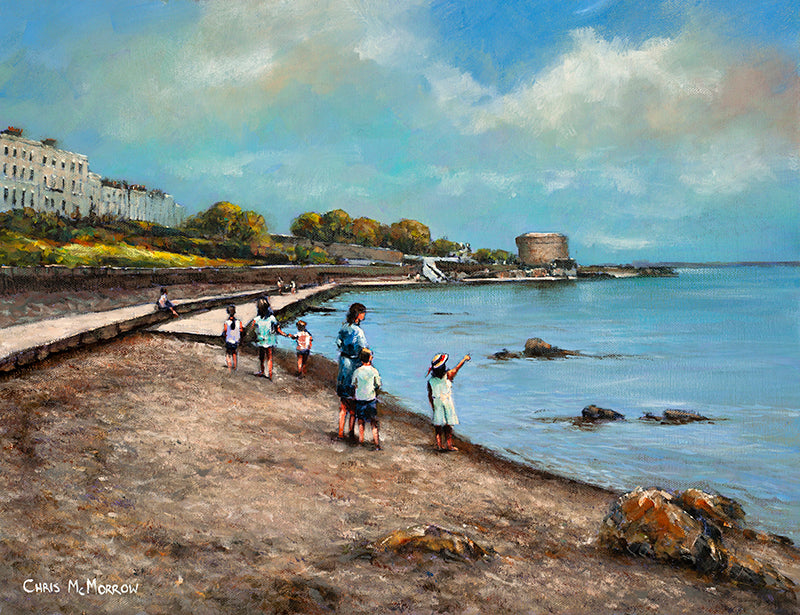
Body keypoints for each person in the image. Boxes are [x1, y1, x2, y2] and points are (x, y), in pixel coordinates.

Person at [426, 353, 471, 451]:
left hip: (437, 403)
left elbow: (430, 395)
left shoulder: (431, 381)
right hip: (447, 402)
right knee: (448, 426)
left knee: (438, 426)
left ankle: (439, 444)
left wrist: (432, 405)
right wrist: (464, 359)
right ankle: (449, 445)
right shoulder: (448, 375)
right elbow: (457, 368)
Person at [336, 302, 367, 439]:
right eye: (363, 313)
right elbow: (363, 348)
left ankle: (340, 432)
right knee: (353, 403)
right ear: (358, 314)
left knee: (343, 404)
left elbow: (338, 343)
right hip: (354, 365)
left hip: (344, 364)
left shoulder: (344, 327)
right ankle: (350, 432)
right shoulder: (358, 331)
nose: (364, 315)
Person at [248, 297, 290, 380]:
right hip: (270, 340)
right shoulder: (272, 318)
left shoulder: (256, 319)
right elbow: (278, 329)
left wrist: (250, 336)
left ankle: (262, 371)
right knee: (269, 357)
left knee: (261, 357)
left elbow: (251, 330)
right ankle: (270, 374)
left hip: (261, 340)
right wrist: (285, 334)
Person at [351, 348, 382, 450]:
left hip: (360, 399)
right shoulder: (374, 371)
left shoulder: (357, 371)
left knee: (361, 422)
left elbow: (353, 383)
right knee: (373, 422)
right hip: (370, 399)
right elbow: (378, 384)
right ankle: (376, 444)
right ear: (370, 358)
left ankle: (361, 441)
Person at [222, 304, 244, 372]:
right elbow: (241, 330)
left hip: (229, 340)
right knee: (234, 353)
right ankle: (235, 367)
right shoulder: (239, 322)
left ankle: (229, 366)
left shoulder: (226, 322)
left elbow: (225, 331)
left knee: (228, 353)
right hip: (236, 340)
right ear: (235, 312)